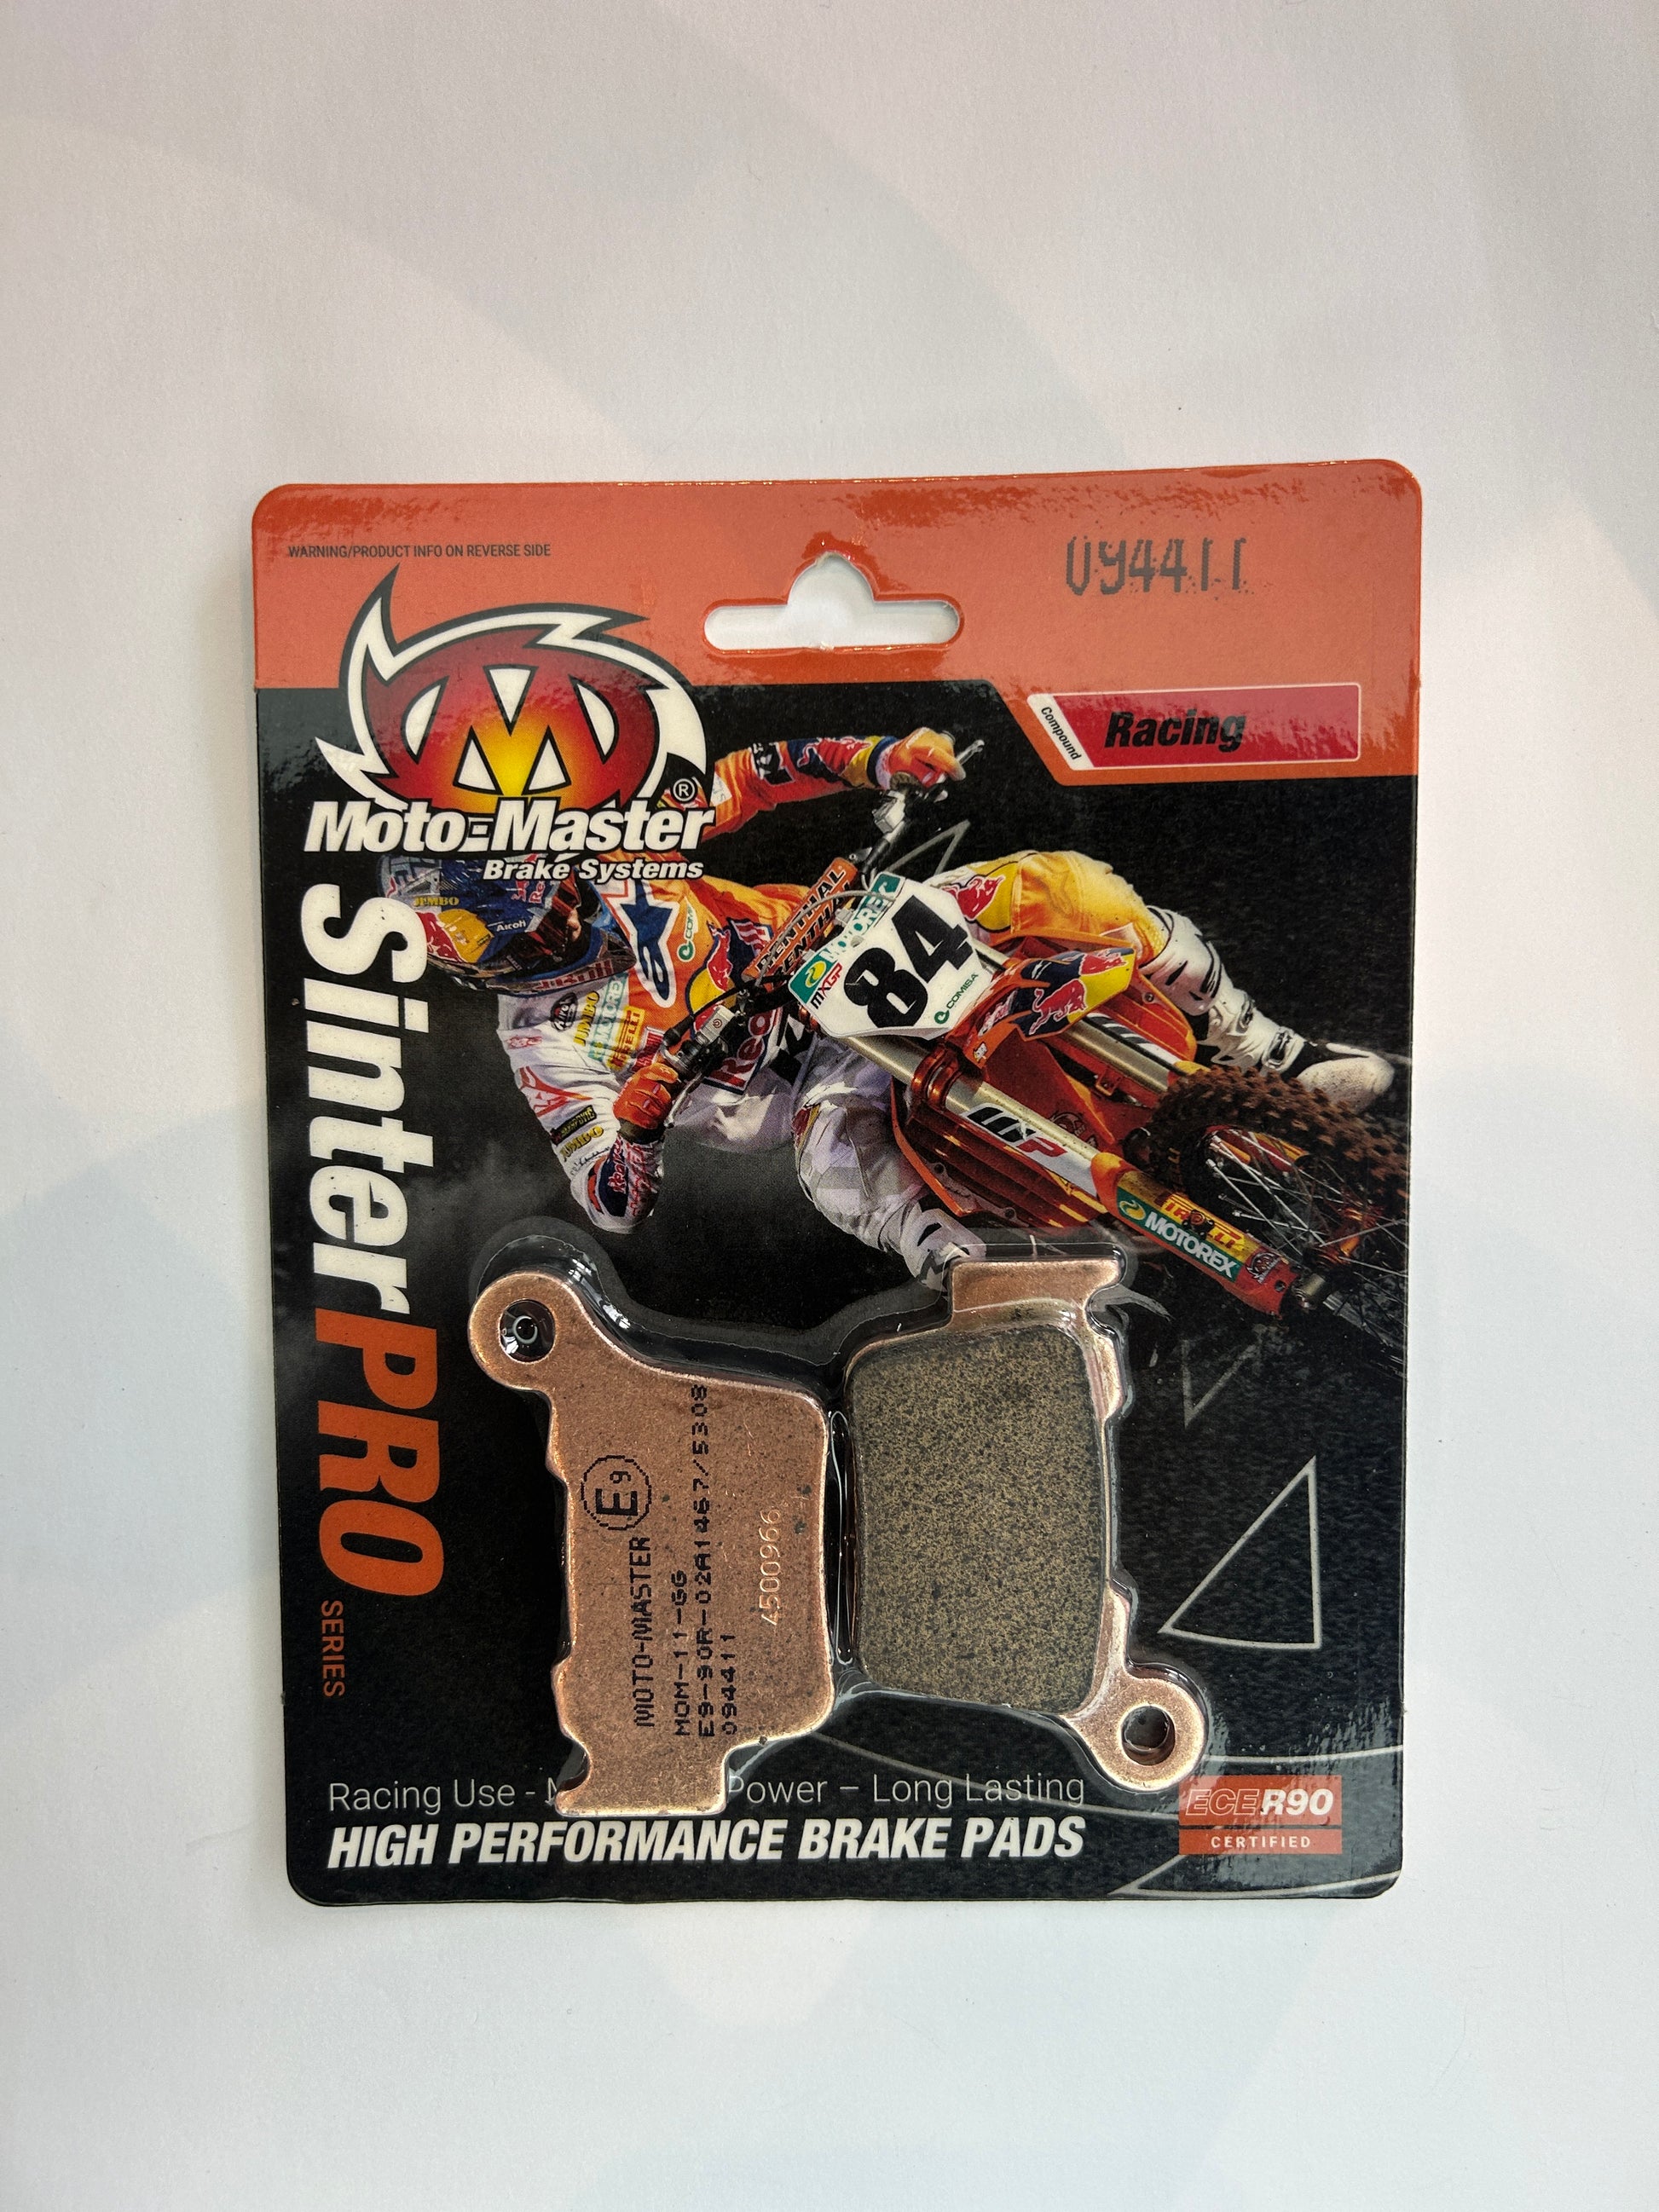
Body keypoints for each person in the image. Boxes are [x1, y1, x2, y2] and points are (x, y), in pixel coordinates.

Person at [384, 730, 1391, 1277]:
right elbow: (606, 1201)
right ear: (471, 962)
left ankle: (1271, 1053)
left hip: (848, 934)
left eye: (553, 897)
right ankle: (967, 1275)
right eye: (518, 938)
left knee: (1063, 885)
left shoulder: (616, 849)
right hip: (810, 1075)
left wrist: (878, 758)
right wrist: (639, 1122)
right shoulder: (540, 1043)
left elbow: (745, 777)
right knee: (836, 1168)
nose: (559, 929)